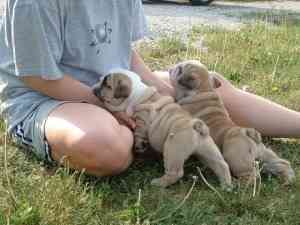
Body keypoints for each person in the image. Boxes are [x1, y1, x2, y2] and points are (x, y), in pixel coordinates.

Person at [0, 0, 299, 178]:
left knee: (205, 88)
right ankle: (163, 138)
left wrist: (165, 93)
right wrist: (112, 109)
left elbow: (125, 52)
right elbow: (39, 79)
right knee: (105, 146)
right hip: (47, 99)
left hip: (119, 88)